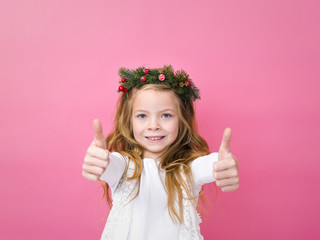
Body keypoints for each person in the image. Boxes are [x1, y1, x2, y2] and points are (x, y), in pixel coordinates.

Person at [82, 65, 239, 240]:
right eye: (142, 116)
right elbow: (111, 165)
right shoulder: (124, 166)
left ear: (181, 120)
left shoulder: (188, 168)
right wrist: (100, 162)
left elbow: (207, 165)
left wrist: (221, 165)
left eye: (166, 115)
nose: (154, 125)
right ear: (129, 120)